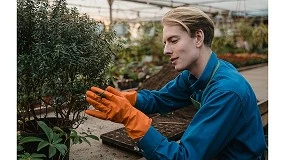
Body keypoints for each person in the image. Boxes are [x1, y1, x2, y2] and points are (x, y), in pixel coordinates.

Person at [85, 7, 267, 160]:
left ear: (198, 38)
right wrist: (130, 99)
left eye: (173, 40)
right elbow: (161, 99)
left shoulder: (226, 92)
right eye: (165, 42)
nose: (165, 50)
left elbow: (184, 157)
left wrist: (131, 118)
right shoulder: (194, 76)